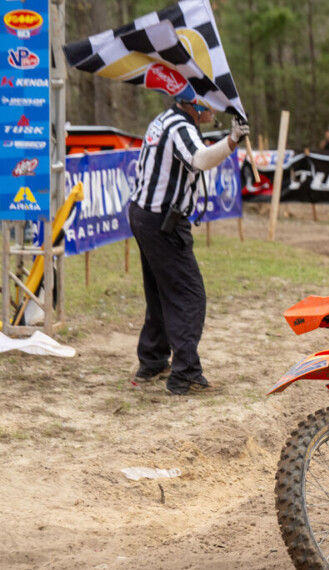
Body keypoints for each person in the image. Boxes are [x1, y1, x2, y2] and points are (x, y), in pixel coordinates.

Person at [128, 97, 250, 395]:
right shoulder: (181, 126)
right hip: (162, 222)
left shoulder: (165, 120)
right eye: (210, 103)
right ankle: (185, 374)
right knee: (188, 295)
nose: (215, 110)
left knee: (160, 292)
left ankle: (153, 361)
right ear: (193, 104)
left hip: (146, 215)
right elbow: (200, 159)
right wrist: (232, 140)